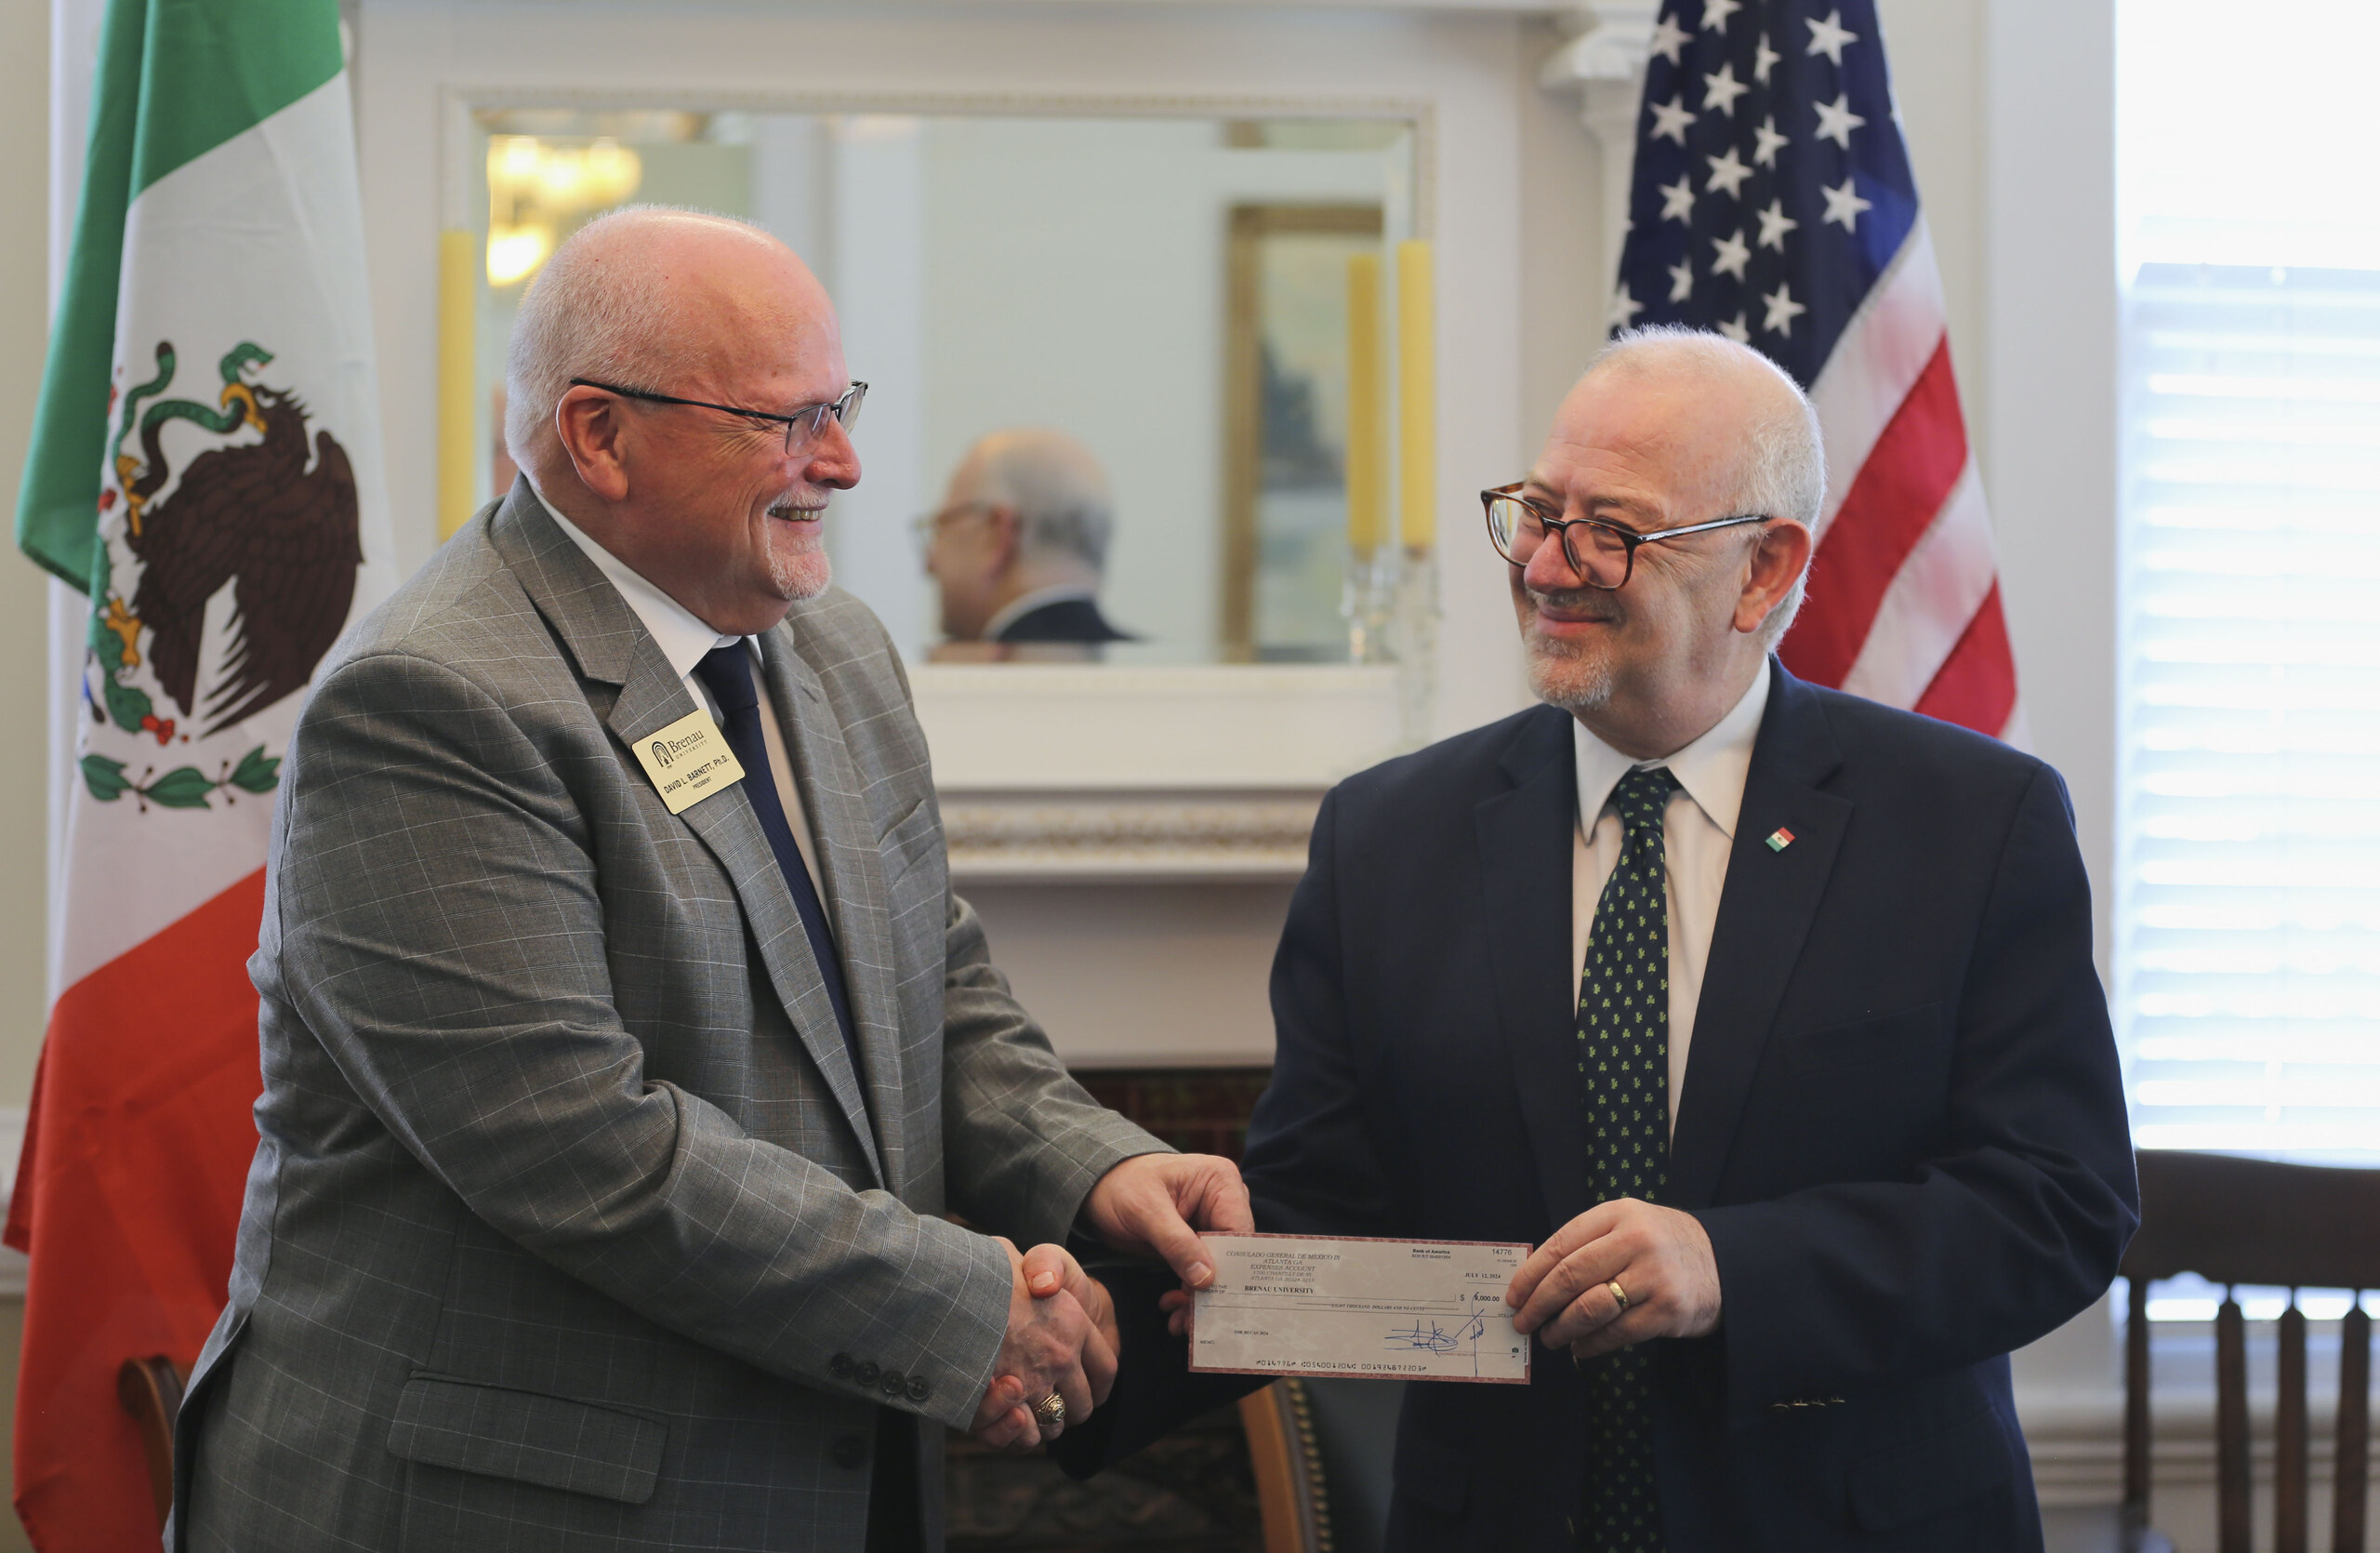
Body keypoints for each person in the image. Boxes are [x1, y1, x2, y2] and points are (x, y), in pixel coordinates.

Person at [170, 207, 1250, 1552]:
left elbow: (937, 983)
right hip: (501, 1502)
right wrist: (965, 1304)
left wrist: (1092, 1169)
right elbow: (581, 1146)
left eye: (840, 406)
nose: (846, 463)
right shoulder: (429, 701)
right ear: (598, 436)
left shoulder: (834, 646)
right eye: (788, 421)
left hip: (814, 1469)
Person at [1063, 327, 2137, 1552]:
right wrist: (1084, 1335)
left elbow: (2057, 1203)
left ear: (1761, 567)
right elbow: (1320, 1219)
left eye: (1608, 527)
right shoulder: (1388, 836)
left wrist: (1731, 1267)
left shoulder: (1967, 822)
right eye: (1534, 510)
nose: (1544, 563)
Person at [920, 427, 1139, 660]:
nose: (929, 563)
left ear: (995, 537)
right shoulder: (1162, 675)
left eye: (942, 525)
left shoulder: (962, 689)